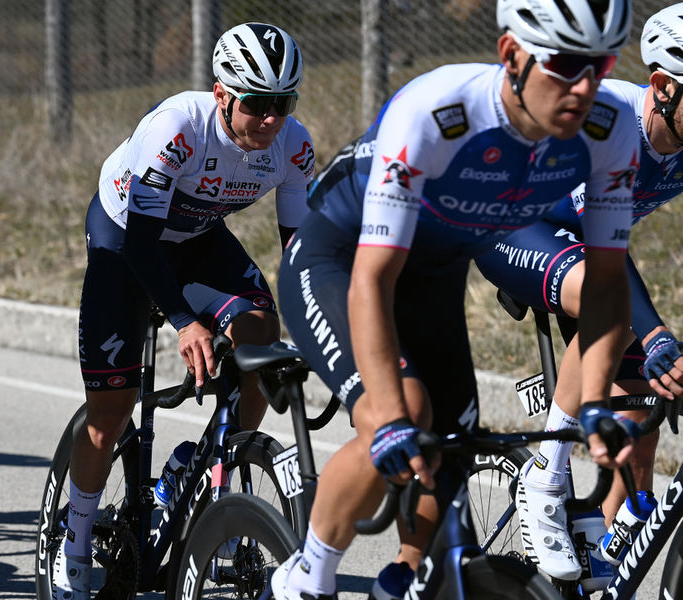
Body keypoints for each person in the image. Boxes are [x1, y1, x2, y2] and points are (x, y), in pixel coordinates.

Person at [271, 0, 639, 598]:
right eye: (566, 64)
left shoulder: (610, 128)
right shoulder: (440, 112)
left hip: (435, 269)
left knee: (455, 443)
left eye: (600, 65)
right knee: (402, 416)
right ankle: (306, 576)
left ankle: (407, 578)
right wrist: (387, 416)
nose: (585, 86)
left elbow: (605, 284)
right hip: (341, 259)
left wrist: (595, 403)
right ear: (511, 55)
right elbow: (373, 279)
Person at [60, 22, 314, 600]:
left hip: (197, 235)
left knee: (261, 334)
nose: (272, 119)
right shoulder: (177, 127)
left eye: (284, 103)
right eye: (258, 105)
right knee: (111, 411)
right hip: (126, 235)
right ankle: (72, 541)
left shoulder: (292, 146)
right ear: (223, 94)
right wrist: (183, 321)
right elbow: (142, 246)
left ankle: (209, 471)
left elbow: (300, 254)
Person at [473, 3, 683, 581]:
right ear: (662, 87)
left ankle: (602, 567)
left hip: (587, 253)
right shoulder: (610, 118)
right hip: (513, 226)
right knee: (604, 299)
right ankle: (544, 474)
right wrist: (659, 332)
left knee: (642, 422)